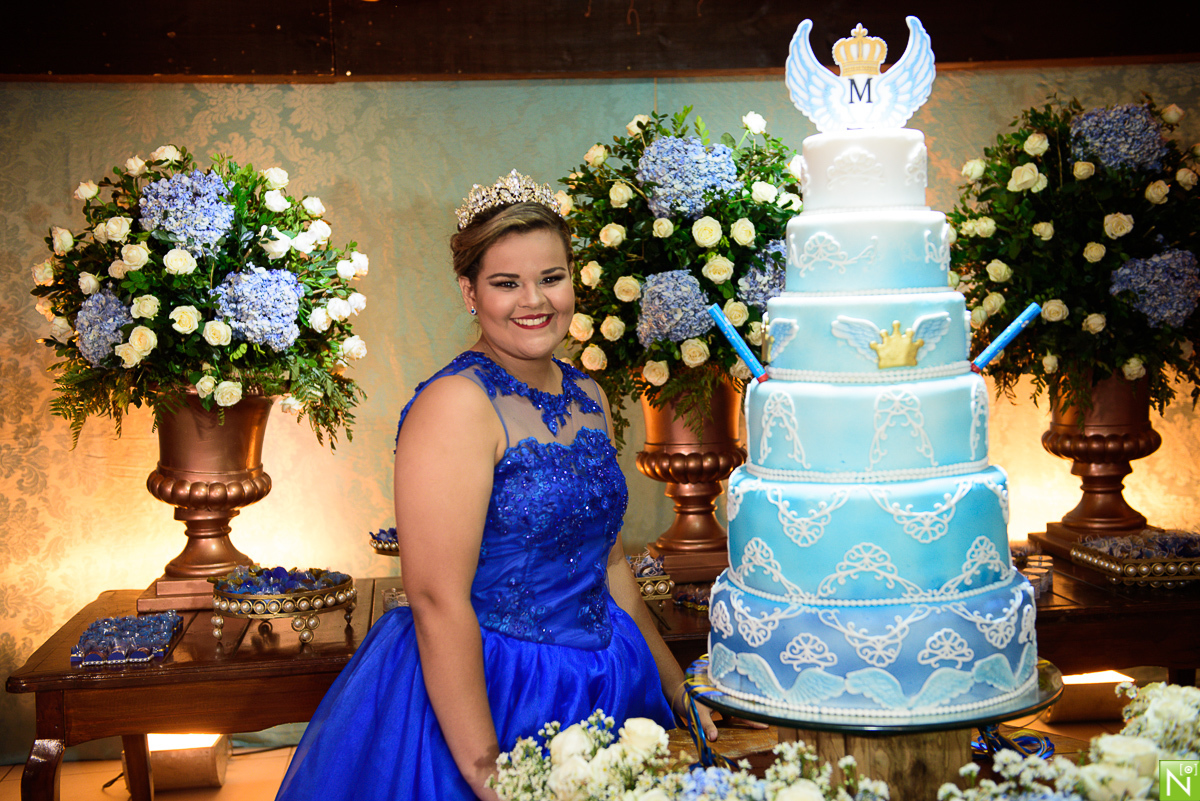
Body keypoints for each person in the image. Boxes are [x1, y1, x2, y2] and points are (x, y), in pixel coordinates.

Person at [275, 171, 717, 801]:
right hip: (497, 685)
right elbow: (435, 599)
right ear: (469, 292)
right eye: (506, 283)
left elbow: (610, 561)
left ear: (573, 280)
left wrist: (675, 687)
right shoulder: (455, 405)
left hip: (609, 674)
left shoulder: (587, 394)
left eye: (551, 278)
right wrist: (489, 771)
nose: (533, 301)